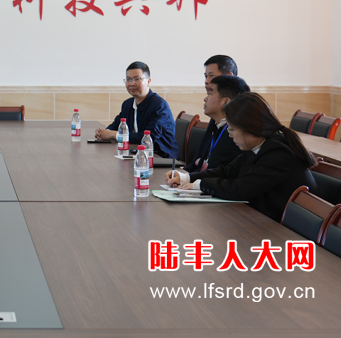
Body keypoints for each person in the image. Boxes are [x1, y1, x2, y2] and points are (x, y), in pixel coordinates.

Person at [167, 92, 317, 222]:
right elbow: (228, 171)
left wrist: (200, 185)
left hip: (283, 229)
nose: (230, 134)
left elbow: (240, 189)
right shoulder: (259, 145)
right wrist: (187, 178)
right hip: (263, 218)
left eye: (232, 129)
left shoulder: (278, 153)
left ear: (250, 128)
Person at [95, 61, 178, 158]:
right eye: (128, 79)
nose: (131, 83)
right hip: (138, 156)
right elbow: (116, 125)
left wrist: (114, 135)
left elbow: (147, 138)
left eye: (136, 79)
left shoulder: (160, 106)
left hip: (161, 158)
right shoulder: (127, 104)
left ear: (148, 81)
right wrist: (103, 132)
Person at [183, 75, 250, 173]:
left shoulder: (235, 137)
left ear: (225, 101)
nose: (205, 99)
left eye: (210, 94)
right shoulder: (217, 126)